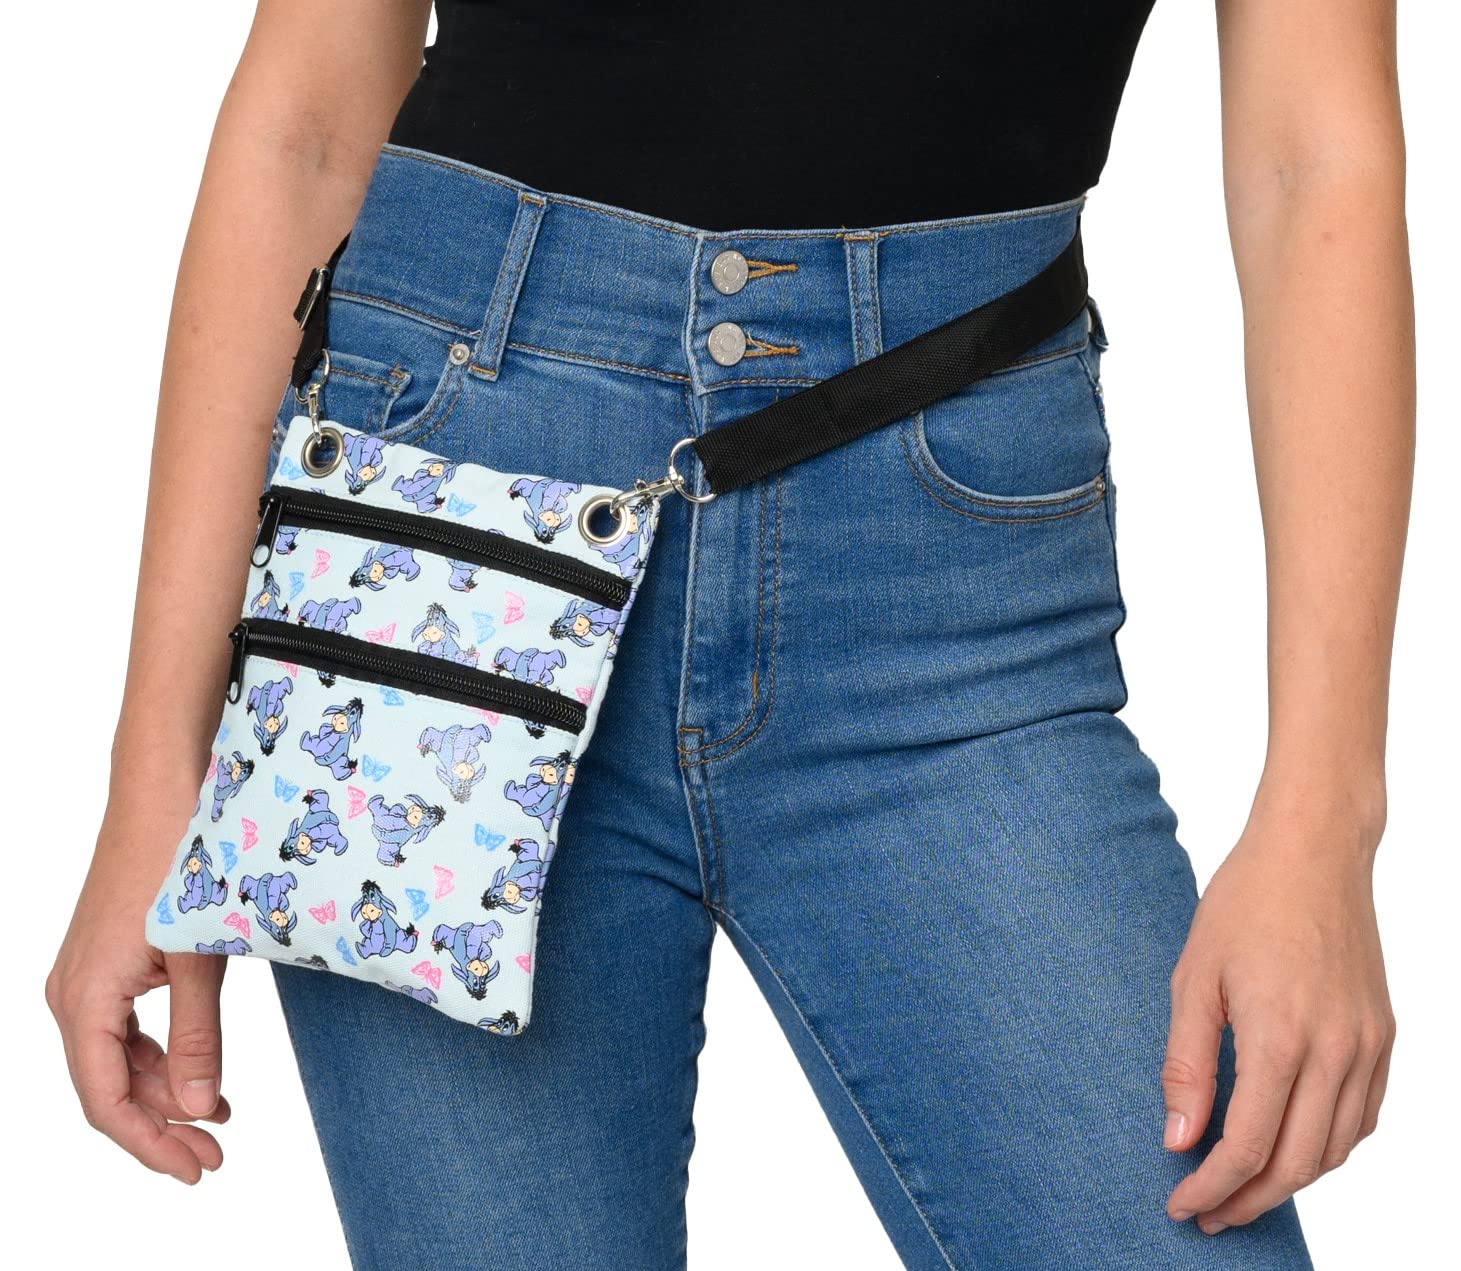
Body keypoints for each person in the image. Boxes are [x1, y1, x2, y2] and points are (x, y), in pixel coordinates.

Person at [47, 2, 1411, 1267]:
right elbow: (309, 117)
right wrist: (155, 761)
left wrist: (1324, 821)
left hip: (947, 573)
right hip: (447, 531)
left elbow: (1312, 160)